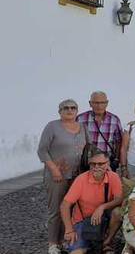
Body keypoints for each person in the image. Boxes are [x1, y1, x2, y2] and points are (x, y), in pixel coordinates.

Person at [38, 99, 87, 254]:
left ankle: (68, 240)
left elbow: (89, 149)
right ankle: (53, 243)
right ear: (59, 111)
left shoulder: (82, 127)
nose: (69, 110)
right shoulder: (52, 126)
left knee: (72, 210)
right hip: (57, 176)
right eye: (65, 108)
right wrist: (54, 169)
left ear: (77, 111)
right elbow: (42, 150)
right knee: (56, 210)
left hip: (77, 176)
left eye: (73, 108)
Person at [60, 150, 124, 254]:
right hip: (82, 221)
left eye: (100, 164)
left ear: (107, 163)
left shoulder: (113, 177)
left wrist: (101, 207)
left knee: (118, 212)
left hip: (104, 218)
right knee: (77, 252)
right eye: (93, 164)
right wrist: (69, 230)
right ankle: (91, 244)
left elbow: (119, 199)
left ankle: (106, 242)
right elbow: (64, 205)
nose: (96, 167)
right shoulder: (81, 180)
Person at [77, 91, 123, 172]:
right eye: (96, 103)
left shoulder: (114, 119)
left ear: (107, 103)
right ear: (90, 103)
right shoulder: (80, 119)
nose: (99, 106)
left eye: (102, 102)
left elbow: (119, 142)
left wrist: (116, 159)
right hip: (87, 163)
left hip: (106, 163)